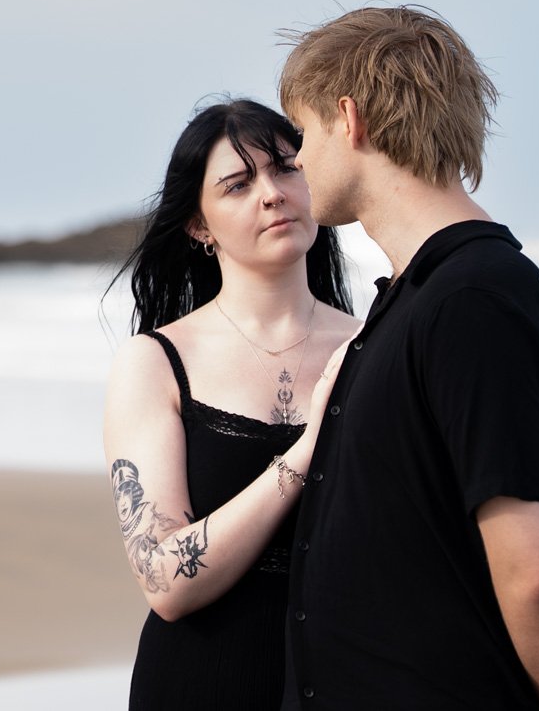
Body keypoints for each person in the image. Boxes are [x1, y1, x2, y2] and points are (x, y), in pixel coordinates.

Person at [275, 6, 539, 710]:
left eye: (302, 132)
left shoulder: (476, 296)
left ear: (349, 118)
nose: (296, 158)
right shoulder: (412, 300)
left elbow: (536, 573)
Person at [103, 98, 361, 710]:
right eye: (238, 185)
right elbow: (165, 581)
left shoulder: (375, 343)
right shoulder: (156, 362)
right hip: (201, 682)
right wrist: (303, 455)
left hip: (349, 679)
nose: (271, 194)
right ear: (198, 225)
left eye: (286, 168)